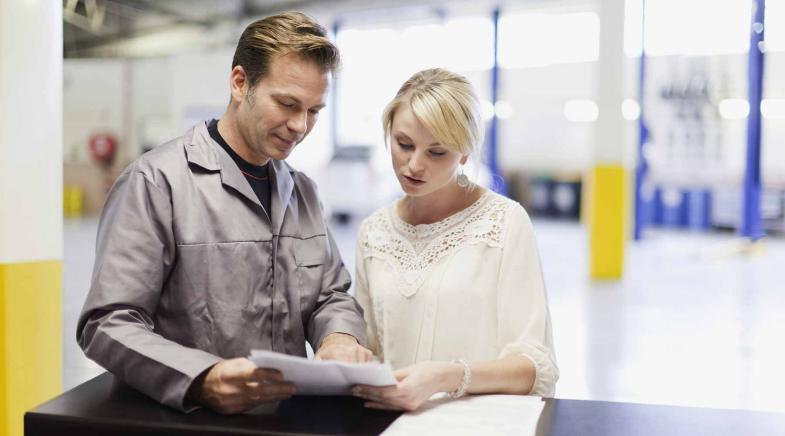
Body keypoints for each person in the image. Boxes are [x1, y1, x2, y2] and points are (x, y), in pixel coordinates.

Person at [77, 12, 372, 415]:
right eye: (287, 104)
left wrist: (339, 337)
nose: (300, 126)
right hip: (193, 419)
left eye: (314, 110)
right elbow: (107, 322)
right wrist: (202, 378)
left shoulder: (301, 191)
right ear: (240, 83)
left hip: (287, 416)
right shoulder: (156, 182)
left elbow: (329, 294)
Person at [351, 68, 558, 411]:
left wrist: (447, 376)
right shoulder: (374, 231)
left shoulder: (504, 222)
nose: (413, 165)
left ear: (464, 153)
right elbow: (368, 348)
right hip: (392, 425)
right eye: (403, 144)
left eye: (437, 152)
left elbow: (535, 367)